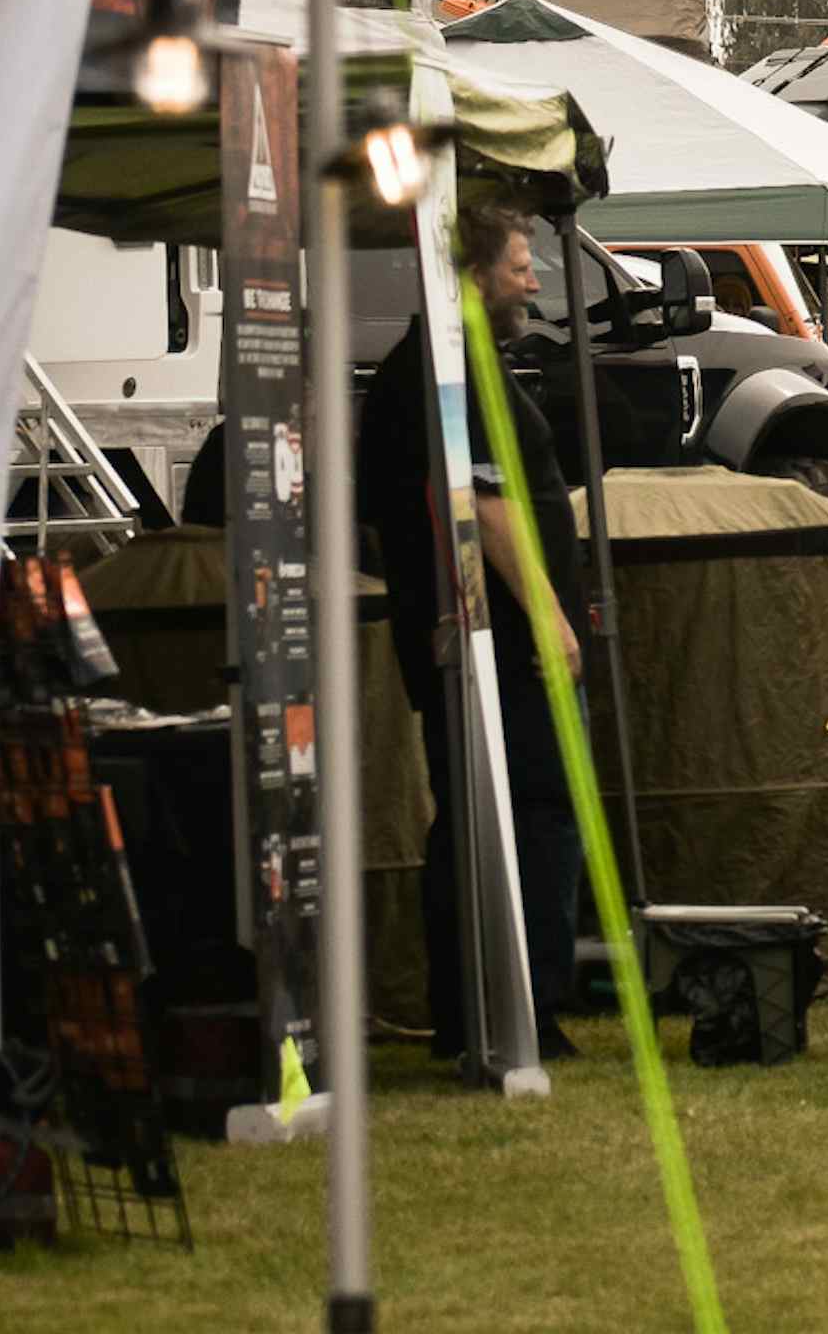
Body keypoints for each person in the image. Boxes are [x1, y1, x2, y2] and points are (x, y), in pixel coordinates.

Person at [357, 199, 587, 1063]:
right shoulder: (447, 375)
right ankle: (518, 1008)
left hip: (474, 641)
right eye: (520, 265)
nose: (534, 279)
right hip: (494, 647)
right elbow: (483, 505)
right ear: (470, 276)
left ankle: (480, 1010)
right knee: (527, 818)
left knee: (476, 821)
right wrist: (551, 618)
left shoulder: (444, 365)